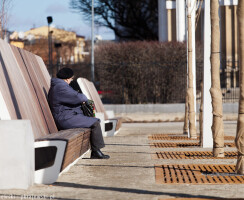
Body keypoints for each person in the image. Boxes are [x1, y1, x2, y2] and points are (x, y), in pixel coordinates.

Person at [48, 67, 109, 159]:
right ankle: (96, 152)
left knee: (93, 121)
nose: (71, 81)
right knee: (95, 122)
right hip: (65, 119)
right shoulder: (61, 87)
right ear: (67, 78)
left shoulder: (59, 86)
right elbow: (79, 97)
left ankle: (96, 151)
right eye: (71, 78)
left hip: (67, 116)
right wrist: (83, 99)